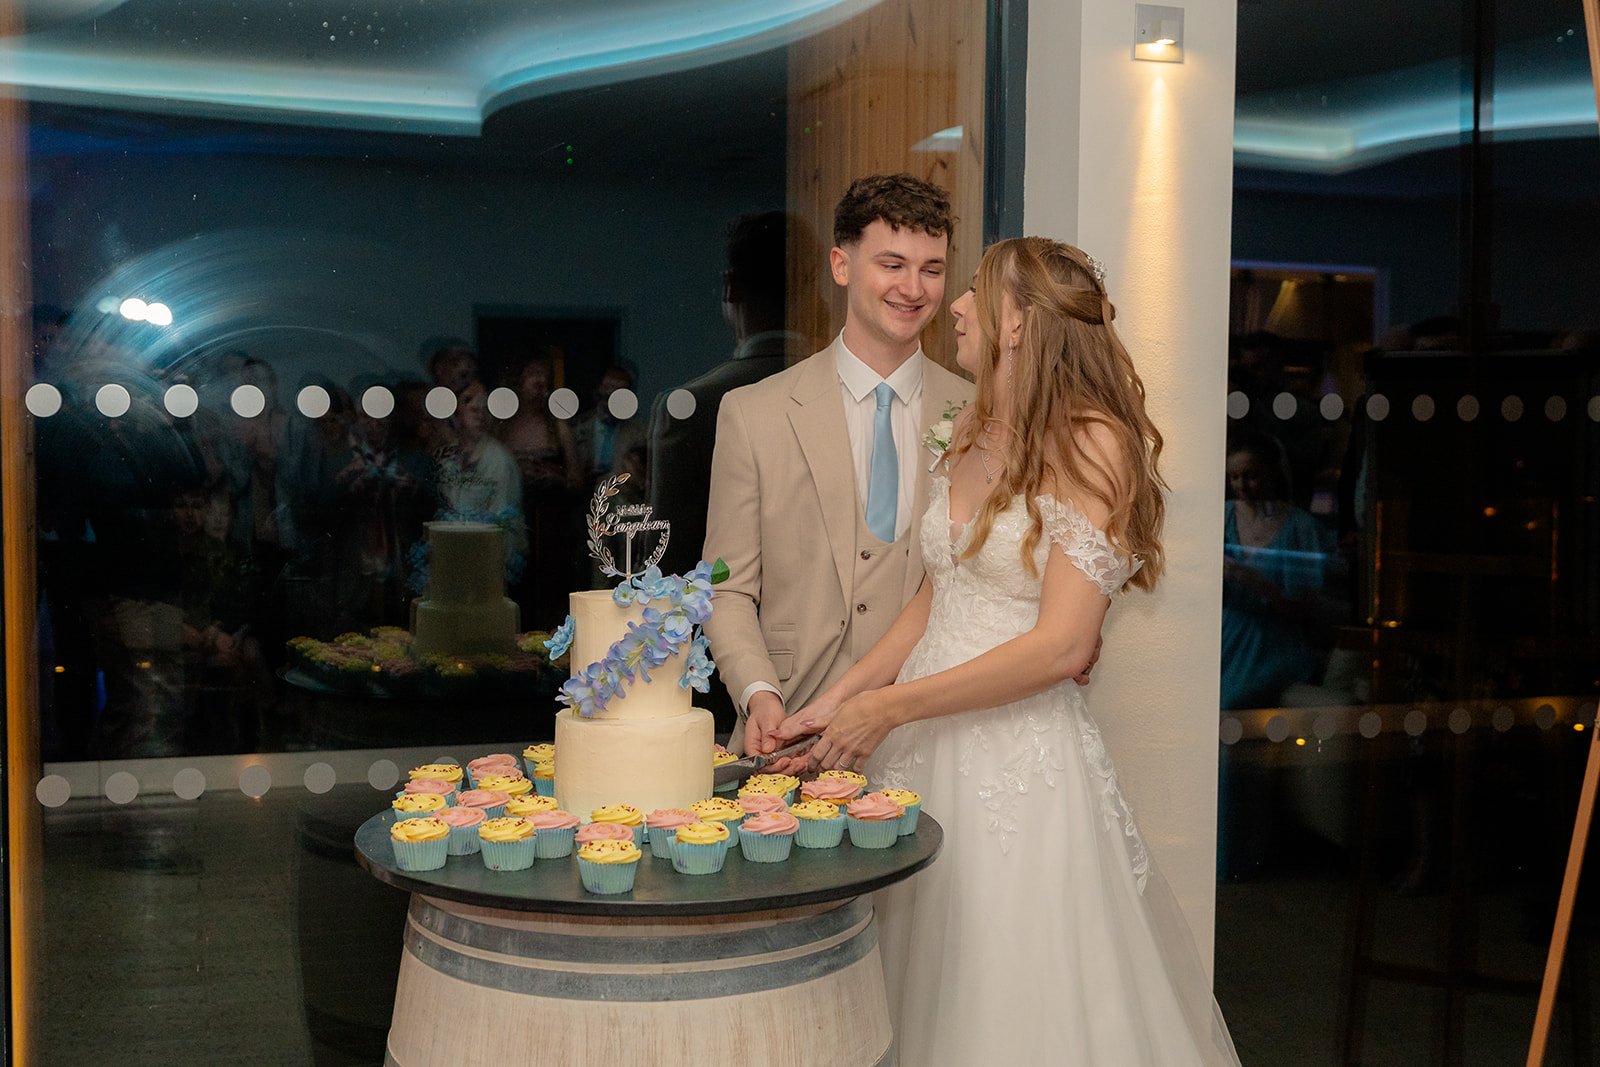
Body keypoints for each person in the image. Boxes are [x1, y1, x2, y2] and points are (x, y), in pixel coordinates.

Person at [770, 237, 1241, 1064]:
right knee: (910, 979)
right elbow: (933, 597)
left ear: (1018, 322)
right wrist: (839, 702)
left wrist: (889, 707)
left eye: (976, 293)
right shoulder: (975, 426)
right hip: (916, 749)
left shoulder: (1095, 444)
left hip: (1016, 766)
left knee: (1003, 991)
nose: (954, 305)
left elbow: (1061, 645)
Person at [700, 174, 974, 761]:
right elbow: (726, 589)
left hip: (933, 732)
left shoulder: (980, 413)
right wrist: (757, 692)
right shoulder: (754, 413)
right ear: (841, 266)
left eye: (931, 269)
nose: (913, 288)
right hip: (791, 724)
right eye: (892, 264)